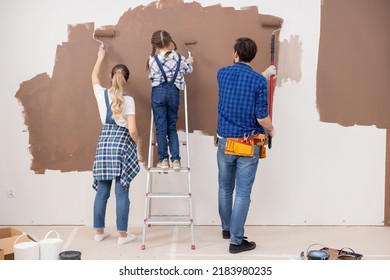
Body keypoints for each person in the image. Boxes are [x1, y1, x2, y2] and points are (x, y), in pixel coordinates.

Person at [216, 37, 276, 254]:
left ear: (235, 54)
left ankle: (227, 229)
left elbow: (240, 82)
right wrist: (272, 130)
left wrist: (263, 76)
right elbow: (262, 117)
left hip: (225, 142)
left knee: (225, 188)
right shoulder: (258, 82)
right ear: (253, 56)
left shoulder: (222, 73)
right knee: (242, 193)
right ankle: (236, 241)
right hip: (247, 144)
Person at [91, 46, 140, 245]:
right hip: (121, 146)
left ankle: (98, 232)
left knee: (102, 192)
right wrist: (134, 144)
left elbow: (93, 77)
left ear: (111, 77)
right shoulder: (128, 100)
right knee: (122, 193)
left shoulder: (100, 94)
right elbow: (133, 129)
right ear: (126, 80)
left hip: (104, 145)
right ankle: (122, 235)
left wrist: (100, 56)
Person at [146, 30, 194, 170]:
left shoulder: (152, 60)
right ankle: (176, 161)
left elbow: (151, 75)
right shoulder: (179, 58)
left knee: (161, 128)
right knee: (171, 127)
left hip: (158, 93)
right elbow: (189, 70)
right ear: (169, 41)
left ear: (155, 44)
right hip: (173, 93)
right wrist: (189, 61)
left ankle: (164, 161)